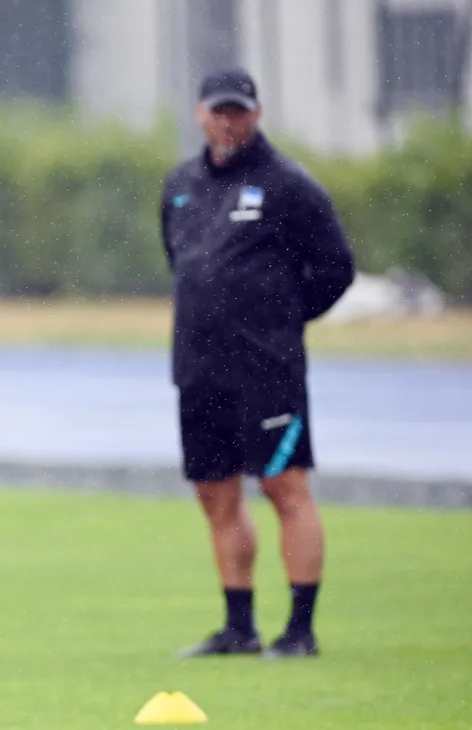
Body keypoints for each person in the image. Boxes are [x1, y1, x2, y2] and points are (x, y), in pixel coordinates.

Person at [161, 67, 355, 659]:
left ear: (257, 113)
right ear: (199, 114)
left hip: (267, 370)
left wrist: (279, 320)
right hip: (198, 367)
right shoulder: (180, 184)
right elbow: (180, 261)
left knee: (283, 485)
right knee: (216, 494)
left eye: (239, 110)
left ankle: (300, 630)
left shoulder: (288, 184)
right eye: (219, 110)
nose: (229, 120)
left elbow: (335, 269)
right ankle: (238, 627)